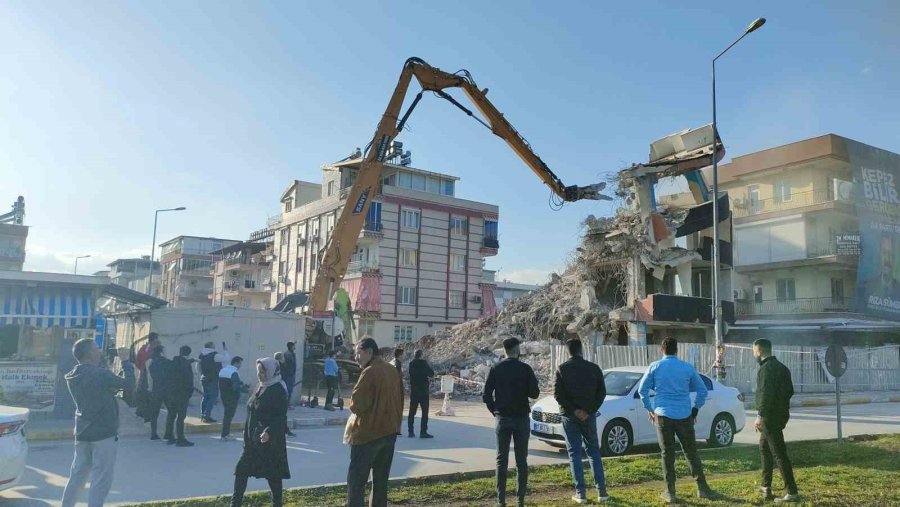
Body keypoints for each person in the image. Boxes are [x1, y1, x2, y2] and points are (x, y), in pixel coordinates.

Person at [638, 337, 716, 504]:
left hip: (663, 415)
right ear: (677, 350)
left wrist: (650, 409)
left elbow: (642, 390)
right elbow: (702, 390)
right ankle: (702, 488)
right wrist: (695, 409)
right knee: (691, 452)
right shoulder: (687, 367)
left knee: (667, 454)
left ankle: (670, 492)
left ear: (662, 349)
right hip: (684, 415)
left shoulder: (655, 366)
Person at [61, 338, 132, 507]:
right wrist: (126, 361)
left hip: (83, 431)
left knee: (77, 476)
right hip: (103, 433)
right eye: (97, 348)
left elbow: (96, 391)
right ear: (90, 353)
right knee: (101, 480)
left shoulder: (73, 375)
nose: (100, 351)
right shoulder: (100, 374)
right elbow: (129, 385)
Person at [345, 337, 404, 507]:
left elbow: (356, 405)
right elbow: (400, 399)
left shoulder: (369, 372)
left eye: (358, 353)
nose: (356, 357)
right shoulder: (392, 370)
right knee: (380, 482)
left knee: (356, 482)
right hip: (390, 433)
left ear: (370, 352)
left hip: (368, 435)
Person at [482, 337, 540, 507]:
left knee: (501, 460)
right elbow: (535, 394)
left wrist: (495, 411)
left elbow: (486, 395)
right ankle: (520, 500)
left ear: (505, 351)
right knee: (522, 460)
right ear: (517, 350)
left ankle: (501, 501)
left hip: (503, 418)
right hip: (521, 418)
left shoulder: (496, 368)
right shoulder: (525, 369)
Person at [554, 338, 609, 504]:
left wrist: (574, 410)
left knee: (574, 454)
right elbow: (602, 393)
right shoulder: (594, 368)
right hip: (589, 416)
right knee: (593, 451)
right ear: (581, 350)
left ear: (568, 351)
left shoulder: (562, 369)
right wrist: (589, 411)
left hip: (570, 417)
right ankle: (602, 492)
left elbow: (558, 395)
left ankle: (581, 493)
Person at [231, 357, 290, 507]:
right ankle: (235, 503)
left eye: (263, 371)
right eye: (258, 371)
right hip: (253, 441)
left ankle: (277, 503)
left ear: (271, 371)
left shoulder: (278, 389)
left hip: (268, 441)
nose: (260, 374)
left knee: (273, 476)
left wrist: (269, 431)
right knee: (240, 471)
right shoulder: (261, 386)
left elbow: (281, 416)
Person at [753, 338, 800, 503]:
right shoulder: (783, 368)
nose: (755, 355)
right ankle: (766, 487)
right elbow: (790, 391)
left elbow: (765, 394)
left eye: (754, 352)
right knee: (764, 448)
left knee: (779, 454)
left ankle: (792, 492)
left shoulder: (765, 369)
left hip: (768, 417)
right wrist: (780, 408)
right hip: (779, 416)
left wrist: (760, 415)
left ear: (759, 351)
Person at [165, 345, 195, 447]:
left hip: (171, 394)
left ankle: (169, 436)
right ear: (188, 353)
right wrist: (189, 393)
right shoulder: (186, 365)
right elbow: (189, 380)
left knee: (171, 415)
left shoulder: (172, 363)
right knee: (181, 417)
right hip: (182, 394)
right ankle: (180, 439)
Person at [146, 345, 174, 441]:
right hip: (167, 390)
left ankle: (153, 434)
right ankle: (168, 433)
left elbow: (149, 377)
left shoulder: (150, 362)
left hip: (155, 389)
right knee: (171, 411)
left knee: (154, 413)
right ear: (162, 352)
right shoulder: (167, 362)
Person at [199, 341, 230, 423]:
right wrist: (226, 351)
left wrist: (202, 374)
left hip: (204, 378)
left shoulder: (201, 355)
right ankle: (207, 416)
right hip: (213, 379)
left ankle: (202, 415)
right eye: (214, 345)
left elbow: (198, 366)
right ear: (211, 347)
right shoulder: (214, 355)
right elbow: (226, 359)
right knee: (212, 397)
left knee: (205, 397)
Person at [407, 349, 434, 438]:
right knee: (424, 413)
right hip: (423, 391)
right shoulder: (423, 363)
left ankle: (411, 432)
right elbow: (431, 373)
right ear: (421, 355)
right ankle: (423, 432)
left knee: (412, 412)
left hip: (414, 391)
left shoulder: (411, 364)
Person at [220, 356, 246, 440]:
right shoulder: (234, 372)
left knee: (227, 415)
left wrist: (240, 383)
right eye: (240, 363)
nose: (240, 365)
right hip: (232, 397)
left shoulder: (224, 370)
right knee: (229, 416)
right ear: (236, 363)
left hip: (224, 396)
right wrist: (245, 390)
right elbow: (235, 387)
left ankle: (225, 434)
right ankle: (225, 435)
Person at [134, 333, 159, 420]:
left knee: (143, 392)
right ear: (155, 339)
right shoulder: (153, 349)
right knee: (149, 393)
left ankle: (141, 411)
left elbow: (137, 363)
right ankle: (146, 413)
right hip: (152, 375)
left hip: (143, 374)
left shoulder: (144, 348)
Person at [273, 352, 296, 437]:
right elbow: (286, 375)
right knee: (282, 413)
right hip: (280, 390)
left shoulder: (273, 366)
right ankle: (284, 430)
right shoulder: (281, 366)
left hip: (275, 390)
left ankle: (283, 430)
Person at [282, 342, 298, 408]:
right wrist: (291, 373)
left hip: (289, 375)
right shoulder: (288, 354)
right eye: (294, 346)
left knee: (289, 390)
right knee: (288, 390)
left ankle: (286, 404)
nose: (295, 347)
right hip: (288, 375)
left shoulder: (290, 354)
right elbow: (289, 365)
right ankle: (286, 404)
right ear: (291, 346)